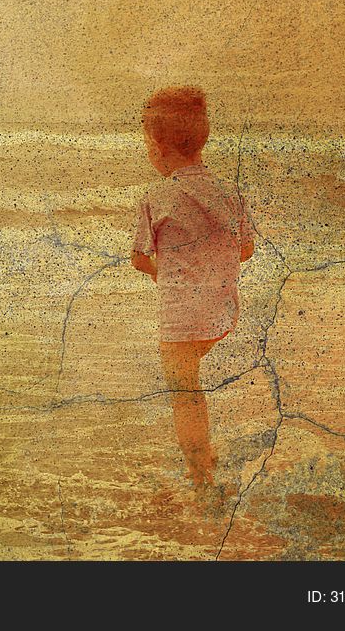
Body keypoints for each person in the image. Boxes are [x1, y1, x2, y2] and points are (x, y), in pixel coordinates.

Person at [131, 86, 255, 492]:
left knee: (185, 394)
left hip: (181, 318)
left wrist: (166, 272)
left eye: (148, 143)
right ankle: (205, 458)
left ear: (159, 149)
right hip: (222, 312)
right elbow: (246, 249)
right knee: (194, 375)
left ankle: (200, 473)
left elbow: (139, 258)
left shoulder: (155, 196)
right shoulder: (229, 191)